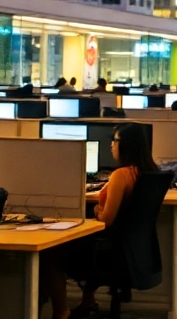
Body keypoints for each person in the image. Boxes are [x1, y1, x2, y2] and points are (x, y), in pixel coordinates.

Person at [42, 123, 159, 319]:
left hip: (110, 248)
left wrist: (97, 210)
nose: (111, 146)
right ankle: (88, 300)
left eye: (115, 141)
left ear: (126, 145)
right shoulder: (148, 172)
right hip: (131, 248)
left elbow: (107, 220)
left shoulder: (121, 176)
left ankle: (61, 311)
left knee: (50, 253)